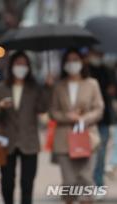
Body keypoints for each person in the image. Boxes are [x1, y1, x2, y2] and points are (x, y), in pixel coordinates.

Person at [0, 52, 50, 204]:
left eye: (24, 64)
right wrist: (0, 107)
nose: (21, 67)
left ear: (29, 67)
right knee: (7, 182)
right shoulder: (0, 88)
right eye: (18, 63)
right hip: (7, 141)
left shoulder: (35, 88)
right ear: (11, 66)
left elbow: (43, 108)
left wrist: (48, 88)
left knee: (27, 182)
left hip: (29, 141)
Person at [50, 49, 104, 204]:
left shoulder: (92, 83)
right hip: (64, 140)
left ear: (82, 62)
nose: (72, 63)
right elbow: (53, 111)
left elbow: (99, 108)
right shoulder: (59, 86)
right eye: (68, 60)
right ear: (64, 64)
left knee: (86, 181)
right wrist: (68, 117)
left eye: (75, 59)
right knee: (69, 183)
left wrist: (83, 118)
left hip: (88, 138)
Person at [87, 49, 116, 192]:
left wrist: (112, 89)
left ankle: (98, 185)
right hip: (87, 119)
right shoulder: (85, 71)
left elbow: (113, 92)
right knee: (84, 154)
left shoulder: (108, 71)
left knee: (101, 153)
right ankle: (84, 184)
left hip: (104, 119)